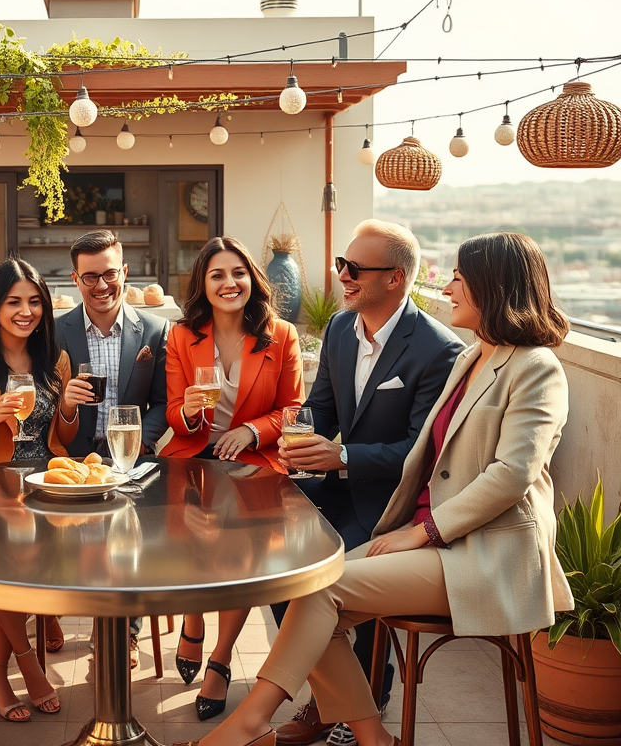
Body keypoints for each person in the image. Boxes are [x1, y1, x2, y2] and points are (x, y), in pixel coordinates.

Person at [177, 230, 573, 746]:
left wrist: (421, 530)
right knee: (300, 577)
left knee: (322, 586)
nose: (448, 289)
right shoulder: (472, 359)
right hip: (427, 530)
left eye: (458, 278)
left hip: (482, 550)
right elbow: (412, 449)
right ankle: (365, 734)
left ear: (492, 288)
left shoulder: (535, 367)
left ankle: (256, 723)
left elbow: (511, 475)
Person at [270, 219, 463, 746]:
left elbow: (420, 454)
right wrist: (302, 442)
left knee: (338, 571)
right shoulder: (337, 329)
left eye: (354, 269)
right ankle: (332, 697)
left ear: (395, 278)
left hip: (390, 506)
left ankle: (368, 700)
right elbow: (321, 411)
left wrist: (343, 456)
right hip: (337, 490)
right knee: (274, 554)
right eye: (341, 265)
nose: (343, 277)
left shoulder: (437, 349)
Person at [161, 236, 303, 722]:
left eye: (238, 273)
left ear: (252, 280)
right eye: (217, 275)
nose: (229, 283)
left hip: (255, 461)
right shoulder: (182, 336)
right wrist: (193, 414)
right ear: (203, 283)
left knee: (242, 554)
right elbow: (175, 416)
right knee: (191, 537)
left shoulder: (280, 335)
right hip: (194, 457)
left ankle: (219, 658)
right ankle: (193, 619)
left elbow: (294, 411)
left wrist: (250, 429)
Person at [0, 257, 85, 722]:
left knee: (31, 554)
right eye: (14, 302)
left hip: (46, 477)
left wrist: (67, 407)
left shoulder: (56, 359)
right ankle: (26, 668)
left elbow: (62, 440)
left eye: (34, 302)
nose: (25, 311)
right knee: (9, 559)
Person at [54, 229, 170, 666]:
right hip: (72, 459)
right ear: (75, 279)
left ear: (125, 271)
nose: (101, 286)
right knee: (83, 549)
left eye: (109, 274)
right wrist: (67, 405)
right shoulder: (57, 331)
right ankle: (87, 620)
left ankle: (126, 633)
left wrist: (140, 440)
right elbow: (49, 400)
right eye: (90, 277)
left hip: (131, 456)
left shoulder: (155, 331)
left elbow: (160, 401)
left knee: (130, 543)